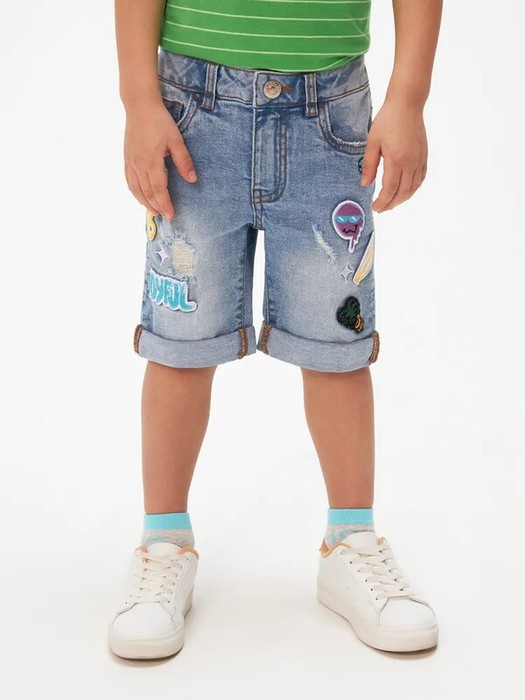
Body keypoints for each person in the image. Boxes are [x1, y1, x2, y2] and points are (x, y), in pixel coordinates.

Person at [109, 0, 442, 659]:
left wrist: (409, 99)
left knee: (335, 344)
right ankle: (164, 544)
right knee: (181, 340)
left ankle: (349, 540)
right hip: (193, 114)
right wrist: (138, 101)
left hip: (329, 116)